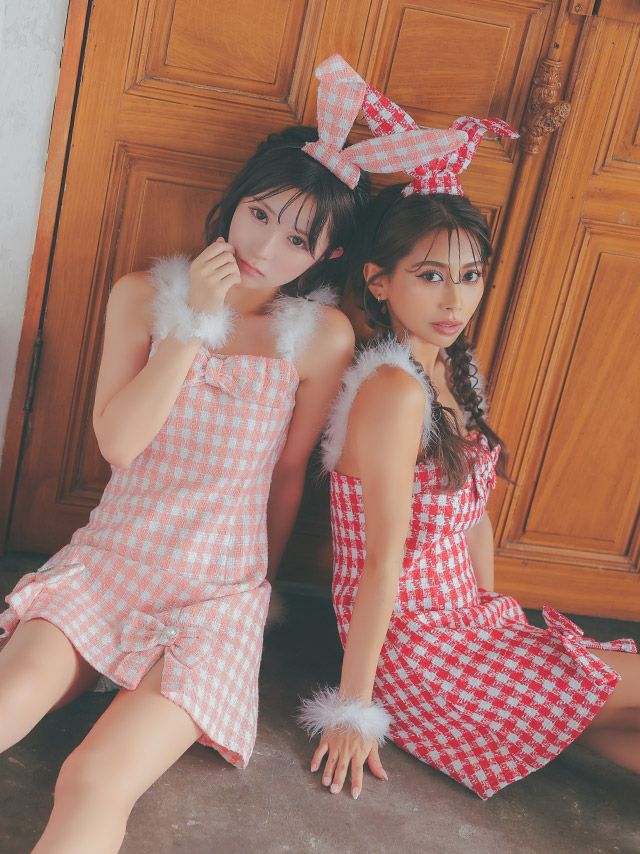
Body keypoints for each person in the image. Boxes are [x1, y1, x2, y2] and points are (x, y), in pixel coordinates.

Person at [0, 55, 418, 852]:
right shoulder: (140, 297)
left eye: (298, 238)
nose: (264, 246)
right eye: (259, 214)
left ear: (327, 256)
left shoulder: (320, 339)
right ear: (235, 201)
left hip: (215, 601)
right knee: (8, 701)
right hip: (108, 565)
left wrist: (250, 599)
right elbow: (120, 444)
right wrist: (194, 321)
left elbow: (287, 476)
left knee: (93, 779)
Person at [299, 84, 639, 801]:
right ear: (379, 282)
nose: (455, 301)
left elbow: (474, 518)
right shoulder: (393, 391)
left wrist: (497, 622)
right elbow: (380, 566)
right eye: (430, 277)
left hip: (470, 628)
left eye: (470, 276)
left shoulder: (452, 369)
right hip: (420, 654)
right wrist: (354, 710)